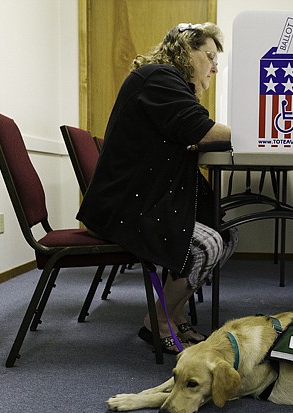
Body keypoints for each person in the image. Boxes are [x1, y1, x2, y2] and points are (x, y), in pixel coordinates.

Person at [77, 22, 237, 354]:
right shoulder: (160, 79)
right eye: (209, 56)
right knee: (206, 245)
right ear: (187, 52)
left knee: (226, 235)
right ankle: (157, 323)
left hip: (141, 199)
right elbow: (202, 131)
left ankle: (174, 317)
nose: (215, 66)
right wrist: (249, 131)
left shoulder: (164, 82)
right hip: (125, 207)